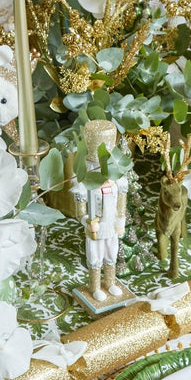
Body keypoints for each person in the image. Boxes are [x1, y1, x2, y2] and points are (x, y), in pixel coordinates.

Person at [72, 120, 128, 302]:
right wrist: (87, 221)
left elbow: (121, 206)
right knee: (95, 256)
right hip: (96, 229)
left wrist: (120, 223)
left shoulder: (118, 186)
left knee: (111, 254)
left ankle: (110, 282)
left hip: (111, 226)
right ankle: (95, 286)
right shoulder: (85, 188)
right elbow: (80, 212)